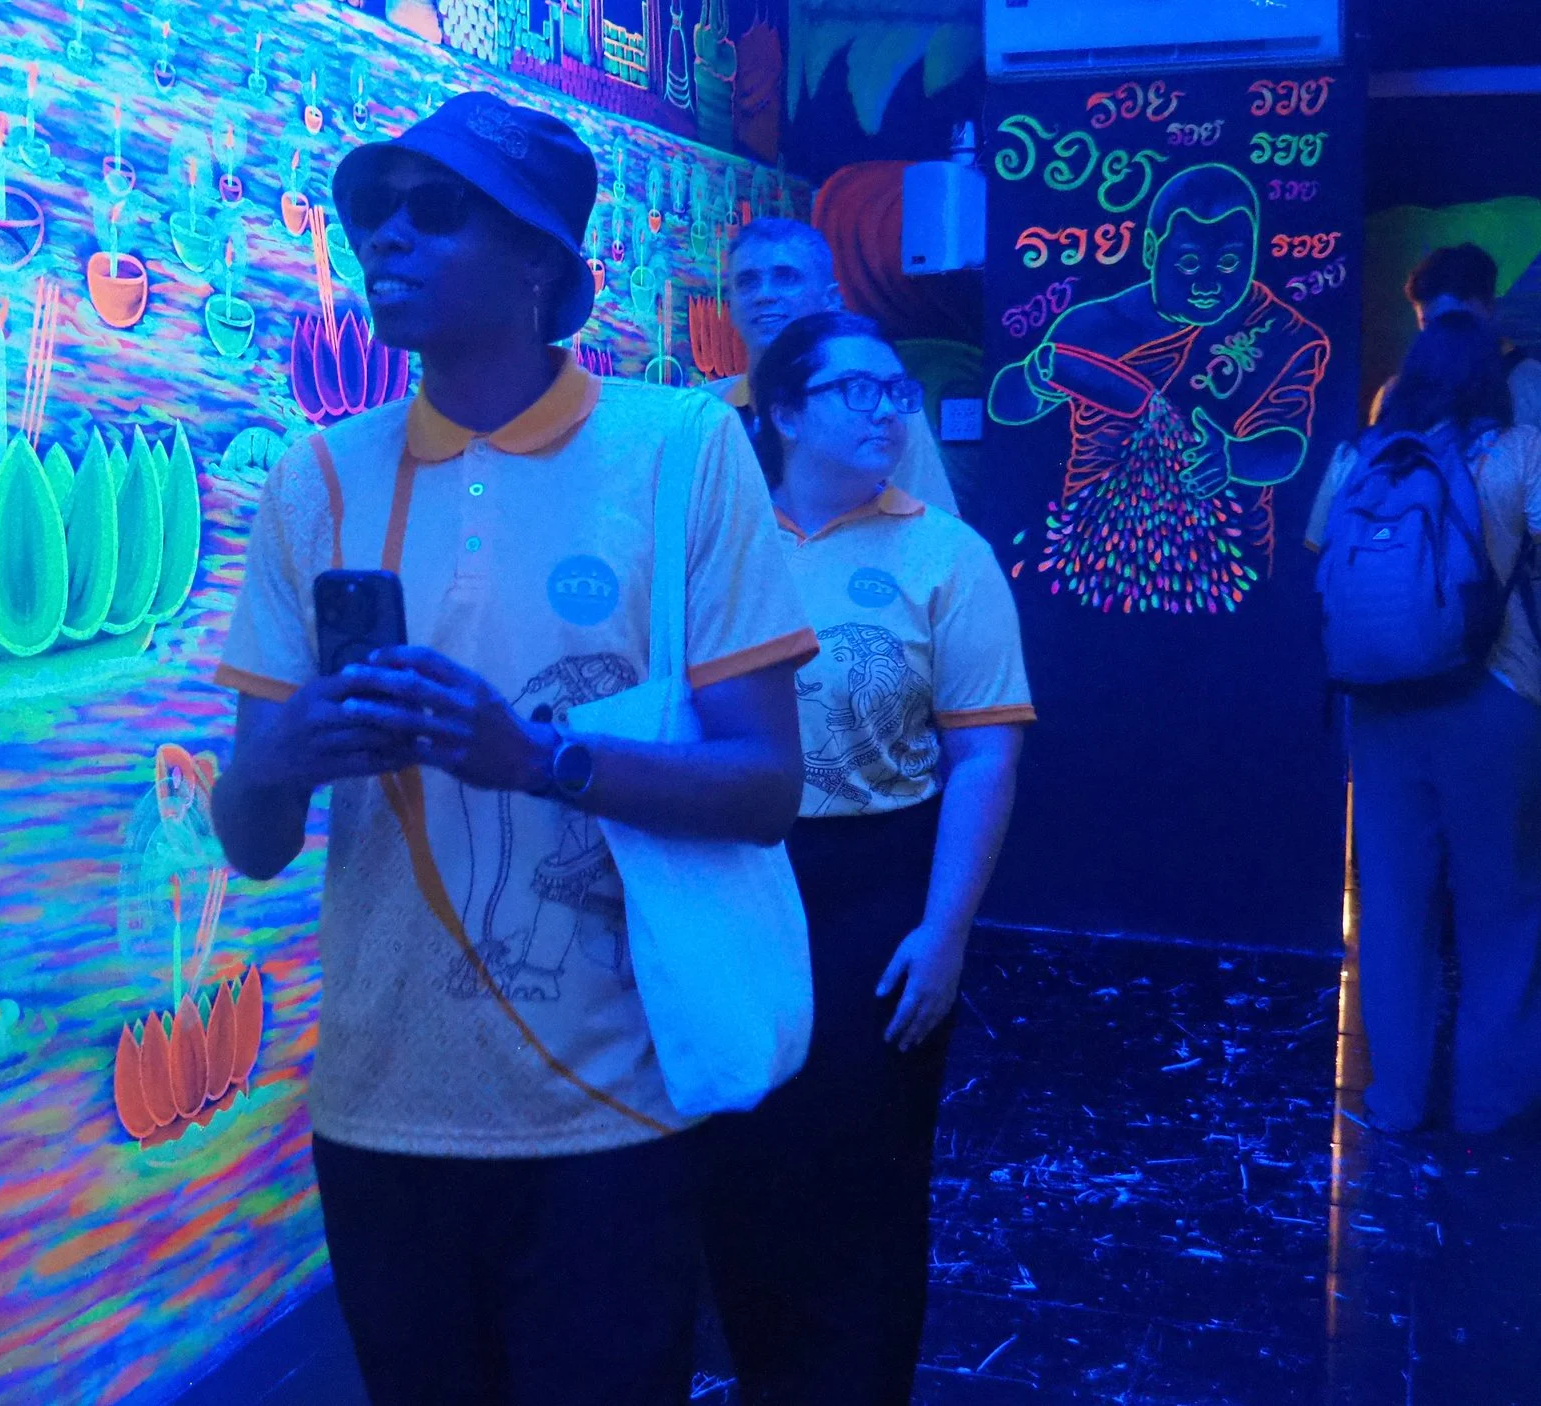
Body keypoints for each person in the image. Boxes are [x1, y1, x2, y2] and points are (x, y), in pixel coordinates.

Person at [208, 92, 816, 1406]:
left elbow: (768, 784)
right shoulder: (315, 478)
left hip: (611, 1112)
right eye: (371, 210)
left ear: (541, 259)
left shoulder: (680, 451)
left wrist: (531, 754)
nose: (387, 236)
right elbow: (252, 844)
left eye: (438, 209)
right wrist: (282, 757)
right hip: (375, 1108)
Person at [697, 311, 1032, 1404]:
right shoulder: (720, 544)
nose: (889, 410)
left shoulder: (946, 554)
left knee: (867, 1175)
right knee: (743, 1159)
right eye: (858, 391)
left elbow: (982, 758)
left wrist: (944, 932)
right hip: (739, 875)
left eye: (897, 390)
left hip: (877, 888)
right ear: (785, 411)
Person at [1306, 312, 1541, 1136]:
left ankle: (1395, 1101)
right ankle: (1489, 1103)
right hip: (1496, 700)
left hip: (1379, 710)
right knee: (1499, 910)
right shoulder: (1518, 452)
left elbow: (1316, 544)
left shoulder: (1359, 457)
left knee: (1395, 908)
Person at [987, 163, 1331, 614]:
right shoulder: (1096, 325)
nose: (1209, 282)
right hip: (1095, 556)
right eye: (1189, 262)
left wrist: (1233, 458)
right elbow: (1005, 405)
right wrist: (1035, 376)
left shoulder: (1283, 334)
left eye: (1230, 262)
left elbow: (1287, 445)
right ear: (1152, 250)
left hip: (1226, 571)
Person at [712, 217, 962, 515]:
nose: (764, 295)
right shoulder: (706, 409)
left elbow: (932, 534)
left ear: (830, 299)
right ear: (730, 305)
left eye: (786, 277)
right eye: (747, 282)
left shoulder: (882, 405)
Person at [1374, 243, 1541, 428]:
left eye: (1460, 321)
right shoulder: (1393, 395)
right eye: (1432, 324)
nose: (1448, 335)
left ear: (1491, 308)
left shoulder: (1532, 385)